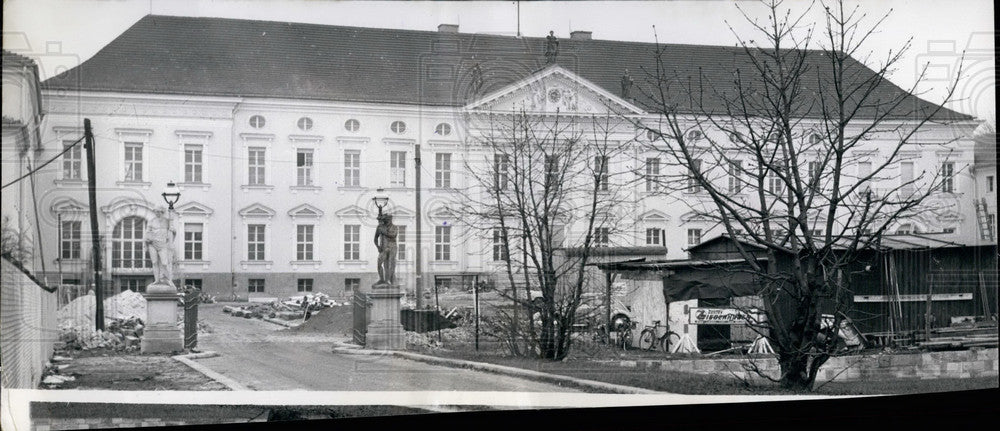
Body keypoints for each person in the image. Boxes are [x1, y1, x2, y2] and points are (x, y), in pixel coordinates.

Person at [145, 207, 177, 287]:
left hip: (163, 244)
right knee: (154, 262)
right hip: (152, 243)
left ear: (162, 212)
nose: (157, 213)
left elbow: (172, 232)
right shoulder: (151, 221)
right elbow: (147, 232)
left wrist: (174, 232)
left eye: (159, 211)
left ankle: (169, 280)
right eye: (156, 211)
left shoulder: (167, 221)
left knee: (165, 263)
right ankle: (157, 280)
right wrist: (147, 240)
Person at [373, 213, 399, 285]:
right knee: (379, 263)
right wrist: (378, 246)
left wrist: (384, 232)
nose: (387, 221)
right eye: (386, 220)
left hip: (392, 247)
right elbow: (375, 238)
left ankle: (388, 280)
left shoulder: (394, 227)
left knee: (390, 264)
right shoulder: (380, 227)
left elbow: (393, 235)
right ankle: (381, 279)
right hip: (383, 248)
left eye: (388, 220)